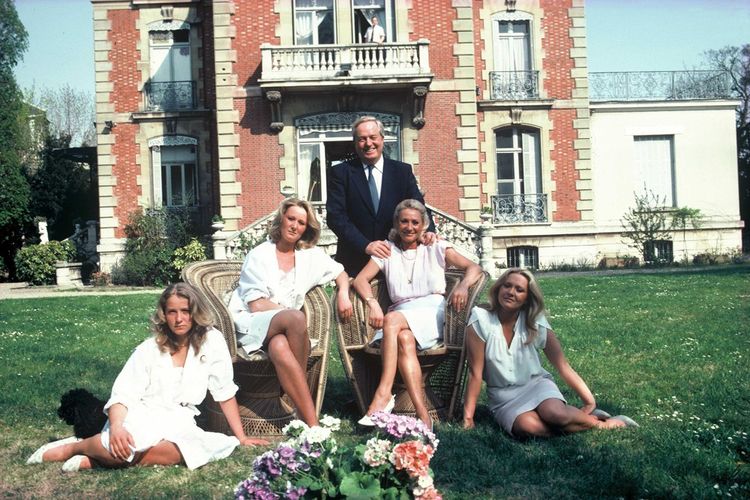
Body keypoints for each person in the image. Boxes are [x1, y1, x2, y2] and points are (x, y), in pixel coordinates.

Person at [27, 283, 266, 472]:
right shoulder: (149, 349)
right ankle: (74, 447)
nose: (179, 318)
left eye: (185, 311)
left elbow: (224, 391)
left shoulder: (212, 341)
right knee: (119, 447)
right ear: (164, 315)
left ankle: (99, 460)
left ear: (195, 313)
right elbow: (123, 395)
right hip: (141, 413)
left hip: (180, 418)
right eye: (172, 312)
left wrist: (241, 437)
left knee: (191, 451)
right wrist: (118, 426)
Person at [352, 199, 483, 427]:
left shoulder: (436, 246)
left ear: (424, 225)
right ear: (396, 223)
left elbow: (474, 268)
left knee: (391, 320)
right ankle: (423, 415)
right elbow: (361, 279)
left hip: (431, 310)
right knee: (403, 337)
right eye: (404, 221)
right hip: (402, 315)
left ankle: (383, 393)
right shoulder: (387, 250)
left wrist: (462, 285)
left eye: (415, 222)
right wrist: (372, 303)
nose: (409, 227)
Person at [463, 268, 637, 438]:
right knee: (529, 428)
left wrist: (589, 401)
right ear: (498, 288)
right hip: (503, 397)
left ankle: (607, 425)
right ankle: (589, 419)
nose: (510, 292)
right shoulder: (481, 319)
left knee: (555, 414)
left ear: (527, 299)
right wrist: (468, 418)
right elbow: (475, 374)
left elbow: (562, 365)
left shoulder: (534, 321)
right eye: (506, 286)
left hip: (536, 385)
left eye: (519, 289)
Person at [228, 198, 353, 426]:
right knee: (296, 317)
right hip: (251, 322)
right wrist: (287, 317)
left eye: (301, 222)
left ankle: (303, 420)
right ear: (281, 220)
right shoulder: (259, 254)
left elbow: (340, 272)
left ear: (307, 228)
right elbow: (256, 304)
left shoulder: (309, 256)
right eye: (291, 219)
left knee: (279, 346)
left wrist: (343, 293)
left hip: (284, 332)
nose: (295, 226)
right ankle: (313, 421)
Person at [327, 116, 435, 277]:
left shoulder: (402, 172)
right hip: (355, 261)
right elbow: (336, 216)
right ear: (355, 143)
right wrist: (365, 245)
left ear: (382, 139)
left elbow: (418, 206)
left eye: (373, 137)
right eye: (362, 139)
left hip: (397, 258)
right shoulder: (341, 173)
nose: (368, 143)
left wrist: (429, 230)